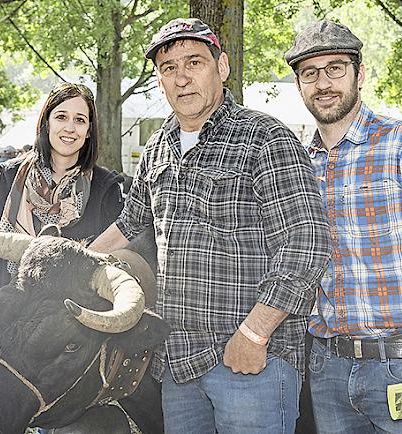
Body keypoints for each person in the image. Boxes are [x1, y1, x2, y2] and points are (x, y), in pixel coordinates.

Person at [89, 18, 331, 434]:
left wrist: (254, 335)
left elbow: (307, 243)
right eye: (168, 68)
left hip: (252, 363)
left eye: (194, 62)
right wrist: (68, 264)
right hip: (178, 365)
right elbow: (129, 226)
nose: (181, 78)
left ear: (222, 67)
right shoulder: (157, 147)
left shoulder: (265, 138)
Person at [285, 21, 402, 433]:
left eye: (335, 68)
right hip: (328, 369)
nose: (323, 83)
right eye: (310, 73)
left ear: (360, 73)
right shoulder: (301, 164)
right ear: (299, 85)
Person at [0, 82, 124, 369]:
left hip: (67, 343)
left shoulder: (106, 188)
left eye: (80, 120)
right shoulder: (7, 178)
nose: (70, 128)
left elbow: (111, 272)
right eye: (61, 116)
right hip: (10, 324)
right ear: (46, 122)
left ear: (89, 130)